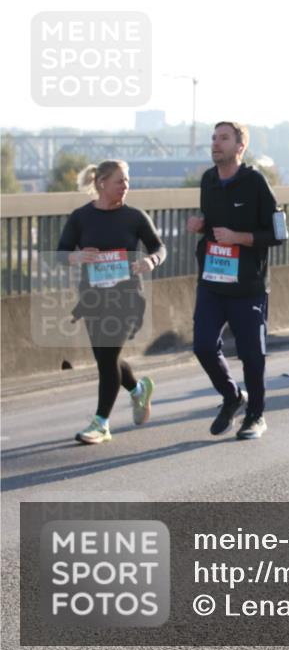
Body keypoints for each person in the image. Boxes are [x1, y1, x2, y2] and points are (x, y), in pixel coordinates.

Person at [186, 121, 283, 440]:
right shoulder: (208, 180)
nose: (216, 143)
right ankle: (231, 397)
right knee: (202, 346)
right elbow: (213, 223)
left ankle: (256, 414)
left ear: (240, 147)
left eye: (224, 138)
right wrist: (200, 226)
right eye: (214, 138)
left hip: (248, 286)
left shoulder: (255, 182)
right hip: (212, 281)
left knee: (252, 354)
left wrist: (238, 237)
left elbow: (278, 234)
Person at [58, 160, 164, 444]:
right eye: (120, 181)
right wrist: (77, 257)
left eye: (128, 181)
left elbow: (158, 247)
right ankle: (138, 389)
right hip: (92, 298)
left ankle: (101, 423)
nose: (125, 186)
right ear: (101, 183)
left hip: (127, 297)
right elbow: (60, 252)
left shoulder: (135, 217)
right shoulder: (81, 217)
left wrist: (151, 260)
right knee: (107, 359)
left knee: (106, 359)